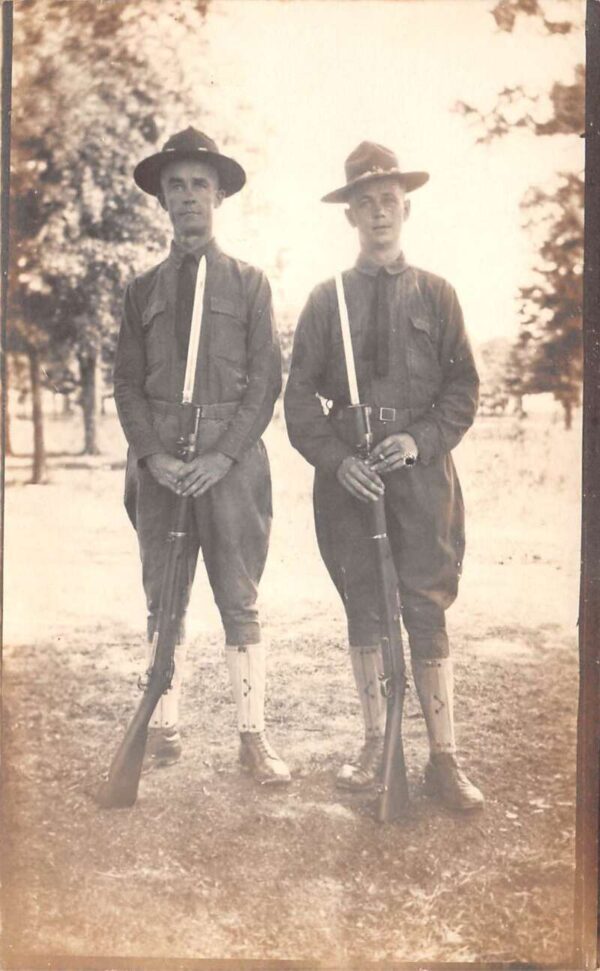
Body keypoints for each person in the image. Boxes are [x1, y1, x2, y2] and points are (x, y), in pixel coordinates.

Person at [284, 141, 483, 811]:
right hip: (350, 479)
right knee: (366, 607)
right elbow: (298, 399)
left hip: (421, 474)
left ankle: (444, 758)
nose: (378, 213)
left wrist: (416, 439)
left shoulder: (438, 293)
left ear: (407, 208)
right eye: (364, 202)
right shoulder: (325, 299)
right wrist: (338, 460)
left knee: (425, 604)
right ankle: (377, 743)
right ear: (349, 216)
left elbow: (463, 390)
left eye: (388, 201)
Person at [113, 127, 290, 785]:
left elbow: (267, 379)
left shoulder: (249, 283)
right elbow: (126, 383)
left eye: (200, 185)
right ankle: (161, 726)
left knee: (240, 598)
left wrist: (223, 455)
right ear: (162, 197)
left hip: (231, 467)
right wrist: (153, 455)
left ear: (219, 196)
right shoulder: (141, 290)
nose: (188, 196)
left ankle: (253, 739)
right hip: (158, 467)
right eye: (176, 185)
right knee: (164, 596)